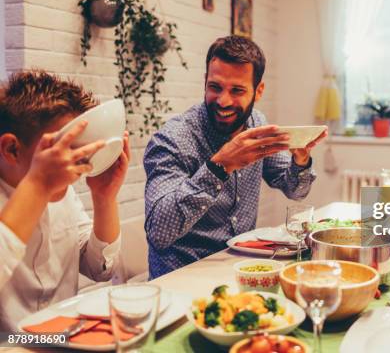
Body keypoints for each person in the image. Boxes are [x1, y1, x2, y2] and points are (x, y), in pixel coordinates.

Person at [144, 36, 326, 278]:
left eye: (237, 90)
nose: (223, 101)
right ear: (205, 82)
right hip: (182, 276)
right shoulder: (173, 139)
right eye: (215, 87)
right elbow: (159, 232)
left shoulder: (256, 125)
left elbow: (295, 191)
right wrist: (220, 166)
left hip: (241, 269)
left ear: (258, 91)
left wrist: (300, 160)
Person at [0, 70, 130, 331]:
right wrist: (38, 184)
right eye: (61, 149)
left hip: (66, 335)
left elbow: (99, 269)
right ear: (12, 149)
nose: (72, 162)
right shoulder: (45, 182)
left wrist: (104, 198)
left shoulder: (63, 193)